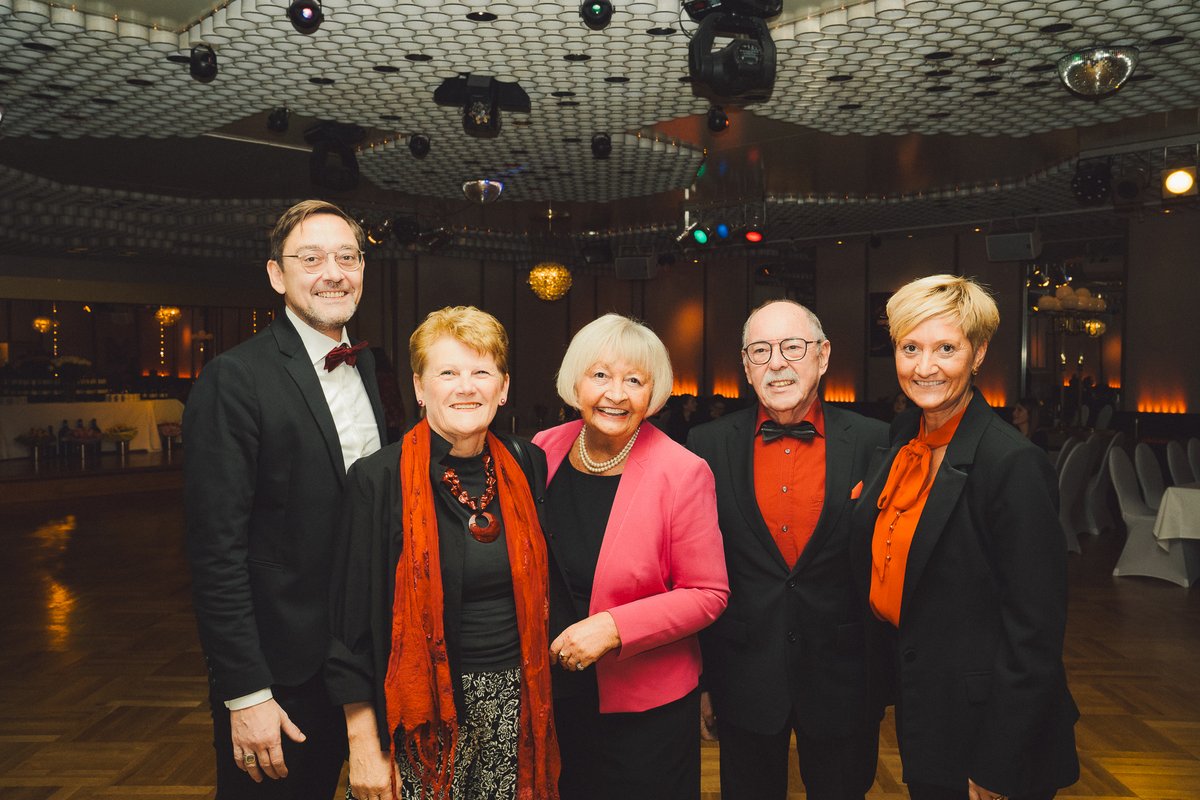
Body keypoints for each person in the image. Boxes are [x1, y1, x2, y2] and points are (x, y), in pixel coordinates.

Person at [183, 199, 387, 799]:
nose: (334, 273)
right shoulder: (235, 378)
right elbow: (215, 553)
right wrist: (245, 692)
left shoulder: (370, 368)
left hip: (362, 661)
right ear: (277, 275)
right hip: (281, 677)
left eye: (347, 257)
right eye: (311, 258)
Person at [851, 275, 1079, 800]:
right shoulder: (904, 436)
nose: (924, 367)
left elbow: (1035, 633)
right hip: (928, 713)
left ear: (978, 355)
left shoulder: (1012, 463)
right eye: (910, 348)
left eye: (946, 349)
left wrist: (998, 763)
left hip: (992, 732)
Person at [327, 306, 559, 800]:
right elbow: (348, 630)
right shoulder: (377, 479)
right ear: (419, 387)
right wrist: (362, 742)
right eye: (447, 373)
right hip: (417, 715)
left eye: (482, 372)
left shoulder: (528, 464)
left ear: (504, 387)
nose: (466, 387)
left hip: (512, 705)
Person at [687, 299, 888, 800]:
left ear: (823, 355)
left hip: (845, 678)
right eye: (761, 350)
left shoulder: (877, 442)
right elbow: (693, 570)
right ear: (746, 365)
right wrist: (705, 681)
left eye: (792, 347)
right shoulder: (706, 444)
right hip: (743, 676)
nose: (776, 363)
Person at [531, 314, 729, 800]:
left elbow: (708, 593)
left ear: (653, 392)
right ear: (575, 381)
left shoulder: (683, 472)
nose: (615, 394)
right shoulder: (541, 450)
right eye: (600, 375)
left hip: (644, 713)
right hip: (553, 699)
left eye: (634, 380)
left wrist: (613, 627)